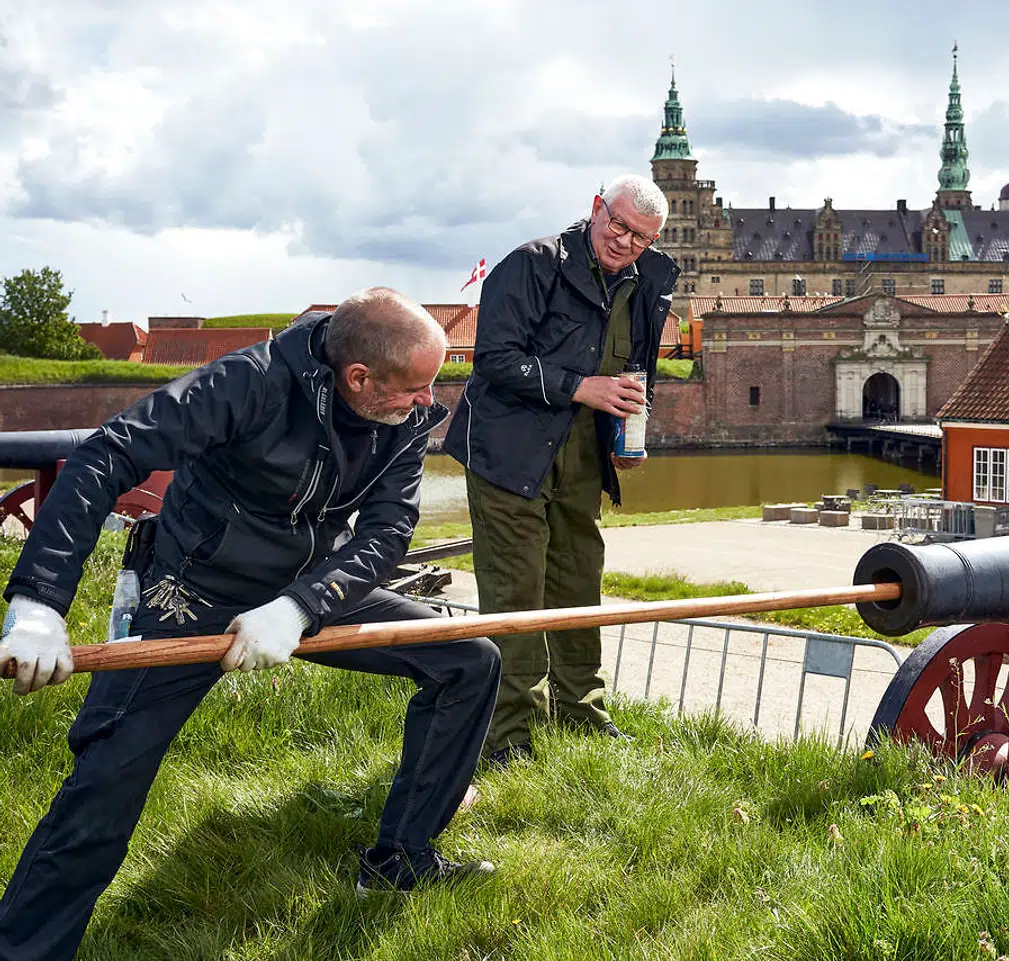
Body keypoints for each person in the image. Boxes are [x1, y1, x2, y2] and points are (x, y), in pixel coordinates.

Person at [0, 287, 502, 960]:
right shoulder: (250, 382)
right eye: (416, 386)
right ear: (360, 377)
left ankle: (400, 857)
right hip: (191, 588)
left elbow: (388, 531)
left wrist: (301, 606)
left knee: (469, 658)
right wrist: (38, 602)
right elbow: (105, 455)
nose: (429, 400)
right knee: (106, 781)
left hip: (304, 589)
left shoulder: (405, 414)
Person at [444, 175, 678, 765]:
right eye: (618, 225)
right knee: (516, 594)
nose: (625, 242)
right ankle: (506, 737)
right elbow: (495, 361)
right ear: (596, 208)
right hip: (508, 453)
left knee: (578, 580)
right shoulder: (530, 264)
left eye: (642, 237)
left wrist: (627, 430)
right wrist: (582, 387)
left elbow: (635, 372)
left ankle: (580, 711)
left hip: (582, 454)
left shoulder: (651, 281)